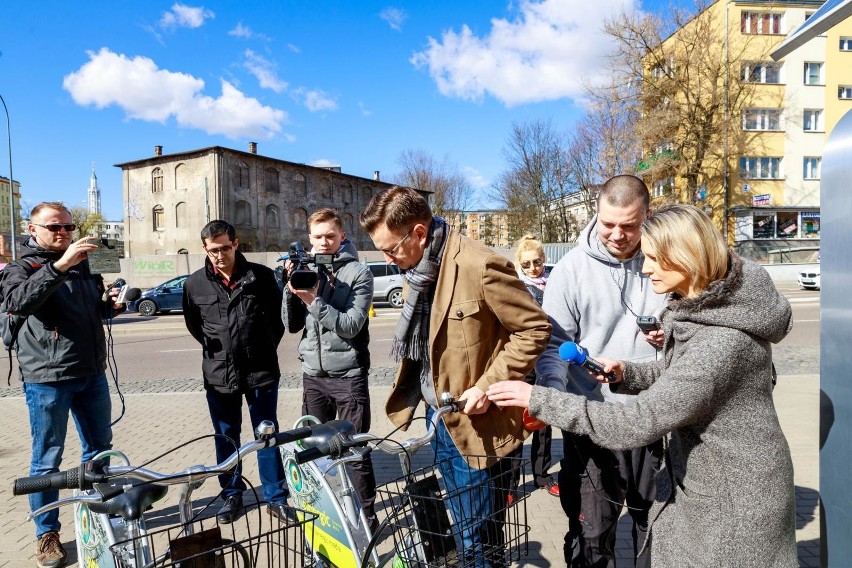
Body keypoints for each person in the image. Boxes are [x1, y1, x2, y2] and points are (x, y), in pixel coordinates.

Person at [488, 203, 797, 567]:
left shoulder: (720, 342)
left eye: (653, 258)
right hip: (720, 487)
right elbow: (686, 379)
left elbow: (639, 421)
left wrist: (538, 398)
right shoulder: (709, 315)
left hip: (732, 503)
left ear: (686, 257)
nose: (645, 267)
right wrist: (628, 374)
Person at [359, 186, 551, 564]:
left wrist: (486, 386)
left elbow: (534, 329)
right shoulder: (421, 269)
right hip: (439, 419)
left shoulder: (480, 264)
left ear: (418, 233)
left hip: (477, 425)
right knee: (466, 529)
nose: (386, 257)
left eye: (391, 248)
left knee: (477, 537)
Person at [532, 175, 668, 567]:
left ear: (648, 214)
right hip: (591, 422)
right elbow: (553, 346)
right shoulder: (571, 270)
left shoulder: (666, 260)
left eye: (629, 225)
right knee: (592, 532)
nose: (618, 235)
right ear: (596, 213)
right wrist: (554, 393)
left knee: (654, 524)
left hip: (650, 418)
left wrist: (670, 337)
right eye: (609, 224)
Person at [0, 202, 127, 568]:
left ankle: (97, 512)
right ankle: (47, 535)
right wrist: (60, 266)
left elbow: (93, 311)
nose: (64, 233)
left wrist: (111, 306)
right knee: (47, 461)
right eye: (55, 227)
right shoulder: (20, 267)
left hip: (91, 372)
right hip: (47, 379)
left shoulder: (85, 263)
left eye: (69, 227)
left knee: (100, 449)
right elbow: (17, 301)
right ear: (32, 228)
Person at [183, 220, 289, 524]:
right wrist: (222, 353)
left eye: (224, 248)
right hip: (219, 376)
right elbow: (195, 326)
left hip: (262, 373)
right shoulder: (194, 284)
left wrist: (258, 348)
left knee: (267, 435)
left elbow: (278, 322)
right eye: (212, 250)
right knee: (226, 438)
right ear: (204, 248)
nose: (219, 255)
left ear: (235, 244)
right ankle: (231, 495)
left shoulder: (262, 277)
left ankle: (276, 497)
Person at [280, 208, 377, 528]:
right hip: (313, 376)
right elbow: (292, 325)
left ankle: (366, 516)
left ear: (342, 237)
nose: (324, 243)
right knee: (311, 449)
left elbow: (350, 326)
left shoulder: (359, 273)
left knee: (355, 450)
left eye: (330, 236)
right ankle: (321, 510)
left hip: (348, 375)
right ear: (310, 239)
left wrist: (313, 300)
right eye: (318, 237)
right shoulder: (305, 269)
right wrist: (290, 287)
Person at [514, 234, 558, 497]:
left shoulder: (553, 285)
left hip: (549, 360)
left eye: (537, 262)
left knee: (544, 422)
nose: (533, 268)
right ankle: (509, 482)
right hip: (525, 363)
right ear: (520, 264)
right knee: (518, 424)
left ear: (544, 260)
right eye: (527, 264)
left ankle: (541, 475)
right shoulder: (517, 288)